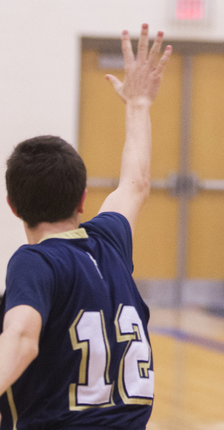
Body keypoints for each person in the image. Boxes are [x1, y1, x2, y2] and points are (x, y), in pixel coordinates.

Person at [0, 24, 171, 429]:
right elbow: (135, 183)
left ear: (12, 207)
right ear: (82, 200)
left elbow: (22, 339)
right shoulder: (109, 241)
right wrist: (139, 103)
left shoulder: (34, 262)